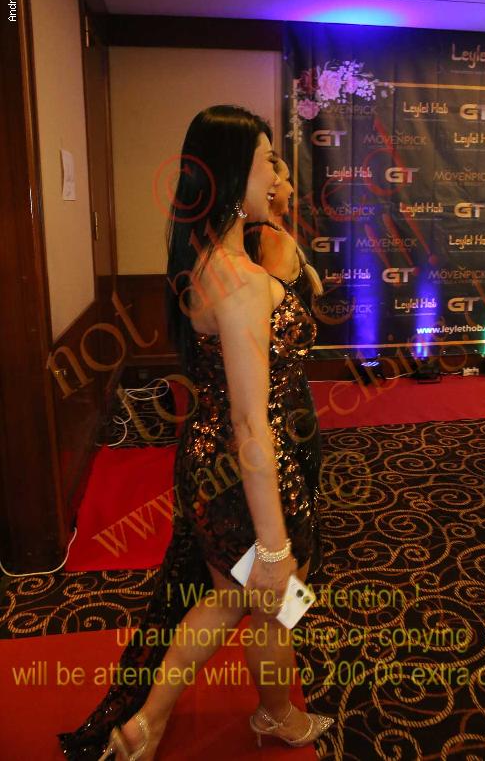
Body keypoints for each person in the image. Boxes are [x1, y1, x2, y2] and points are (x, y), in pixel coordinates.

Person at [58, 106, 332, 759]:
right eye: (266, 161)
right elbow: (250, 420)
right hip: (244, 466)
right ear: (233, 173)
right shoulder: (239, 281)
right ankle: (233, 716)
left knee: (239, 599)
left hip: (211, 458)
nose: (277, 175)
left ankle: (175, 721)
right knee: (263, 597)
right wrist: (272, 544)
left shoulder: (210, 259)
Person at [244, 156, 324, 573]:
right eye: (284, 179)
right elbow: (275, 329)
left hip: (286, 385)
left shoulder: (271, 235)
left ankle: (290, 569)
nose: (289, 188)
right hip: (280, 392)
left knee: (298, 475)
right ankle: (288, 568)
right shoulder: (266, 240)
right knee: (293, 477)